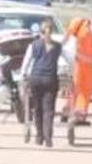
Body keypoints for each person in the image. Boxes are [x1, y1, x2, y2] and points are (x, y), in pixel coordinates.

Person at [20, 18, 63, 147]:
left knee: (37, 108)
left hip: (36, 79)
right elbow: (69, 60)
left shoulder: (33, 45)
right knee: (48, 109)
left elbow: (26, 63)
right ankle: (48, 137)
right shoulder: (58, 46)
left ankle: (39, 137)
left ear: (40, 31)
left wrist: (23, 76)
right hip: (50, 79)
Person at [62, 8, 92, 126]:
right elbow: (67, 36)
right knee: (76, 87)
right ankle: (68, 112)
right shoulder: (80, 22)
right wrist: (58, 49)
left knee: (87, 89)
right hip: (78, 61)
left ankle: (80, 115)